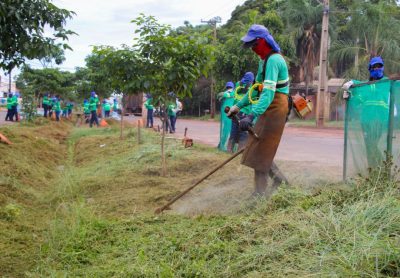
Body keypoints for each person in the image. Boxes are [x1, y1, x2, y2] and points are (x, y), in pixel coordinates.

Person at [227, 24, 290, 197]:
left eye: (254, 45)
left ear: (263, 41)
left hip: (277, 107)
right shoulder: (263, 61)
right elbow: (256, 89)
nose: (253, 49)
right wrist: (237, 106)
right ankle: (280, 181)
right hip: (268, 105)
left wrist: (252, 114)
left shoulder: (275, 60)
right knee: (257, 150)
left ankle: (260, 194)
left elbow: (269, 92)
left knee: (261, 152)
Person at [342, 56, 388, 169]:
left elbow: (383, 86)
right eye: (374, 66)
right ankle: (373, 170)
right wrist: (349, 96)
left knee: (372, 145)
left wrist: (354, 82)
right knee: (369, 146)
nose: (377, 69)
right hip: (366, 120)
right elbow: (359, 100)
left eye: (379, 66)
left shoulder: (386, 82)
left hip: (380, 119)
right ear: (370, 69)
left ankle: (382, 168)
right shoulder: (365, 86)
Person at [227, 72, 254, 153]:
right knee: (243, 132)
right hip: (245, 113)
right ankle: (240, 152)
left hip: (235, 111)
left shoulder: (238, 84)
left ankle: (229, 149)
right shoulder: (252, 88)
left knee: (234, 131)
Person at [217, 82, 235, 151]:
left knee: (225, 130)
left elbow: (222, 96)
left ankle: (222, 145)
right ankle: (226, 146)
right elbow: (220, 98)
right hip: (231, 113)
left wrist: (222, 94)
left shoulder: (226, 94)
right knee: (230, 130)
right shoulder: (233, 93)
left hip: (226, 114)